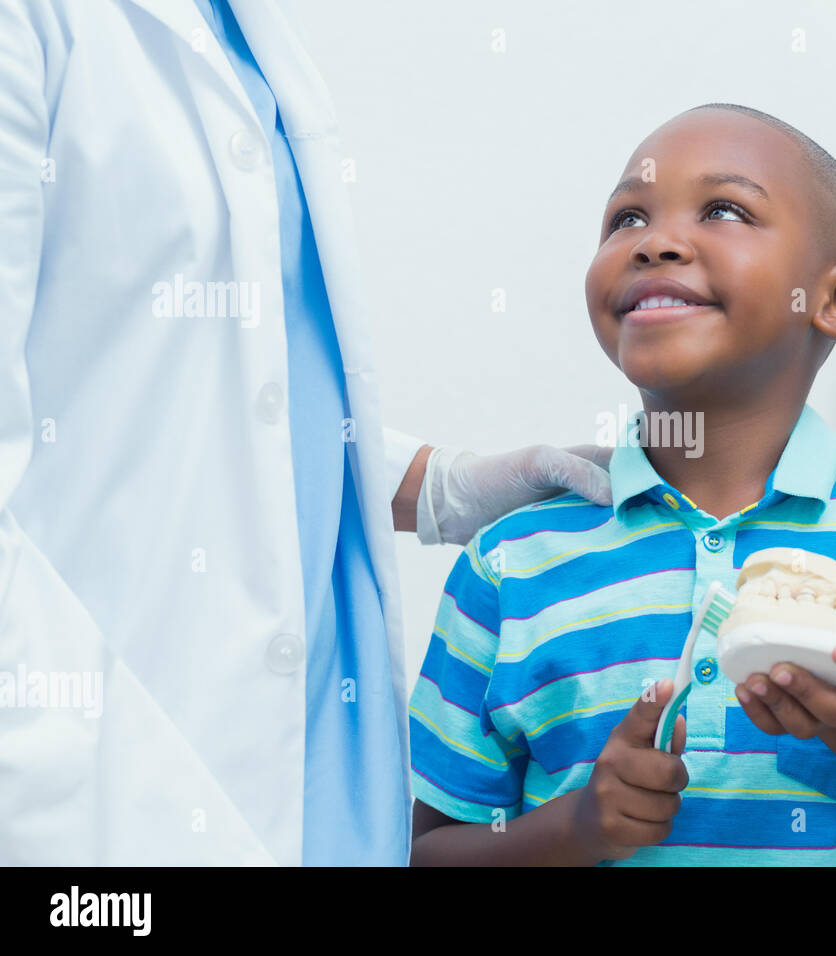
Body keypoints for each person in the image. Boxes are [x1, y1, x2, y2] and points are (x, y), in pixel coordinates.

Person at [0, 0, 608, 865]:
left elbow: (238, 391)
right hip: (107, 783)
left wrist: (440, 483)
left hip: (319, 787)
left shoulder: (244, 29)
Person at [407, 103, 836, 865]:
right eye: (626, 218)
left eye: (724, 209)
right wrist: (578, 826)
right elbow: (429, 855)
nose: (655, 242)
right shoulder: (511, 561)